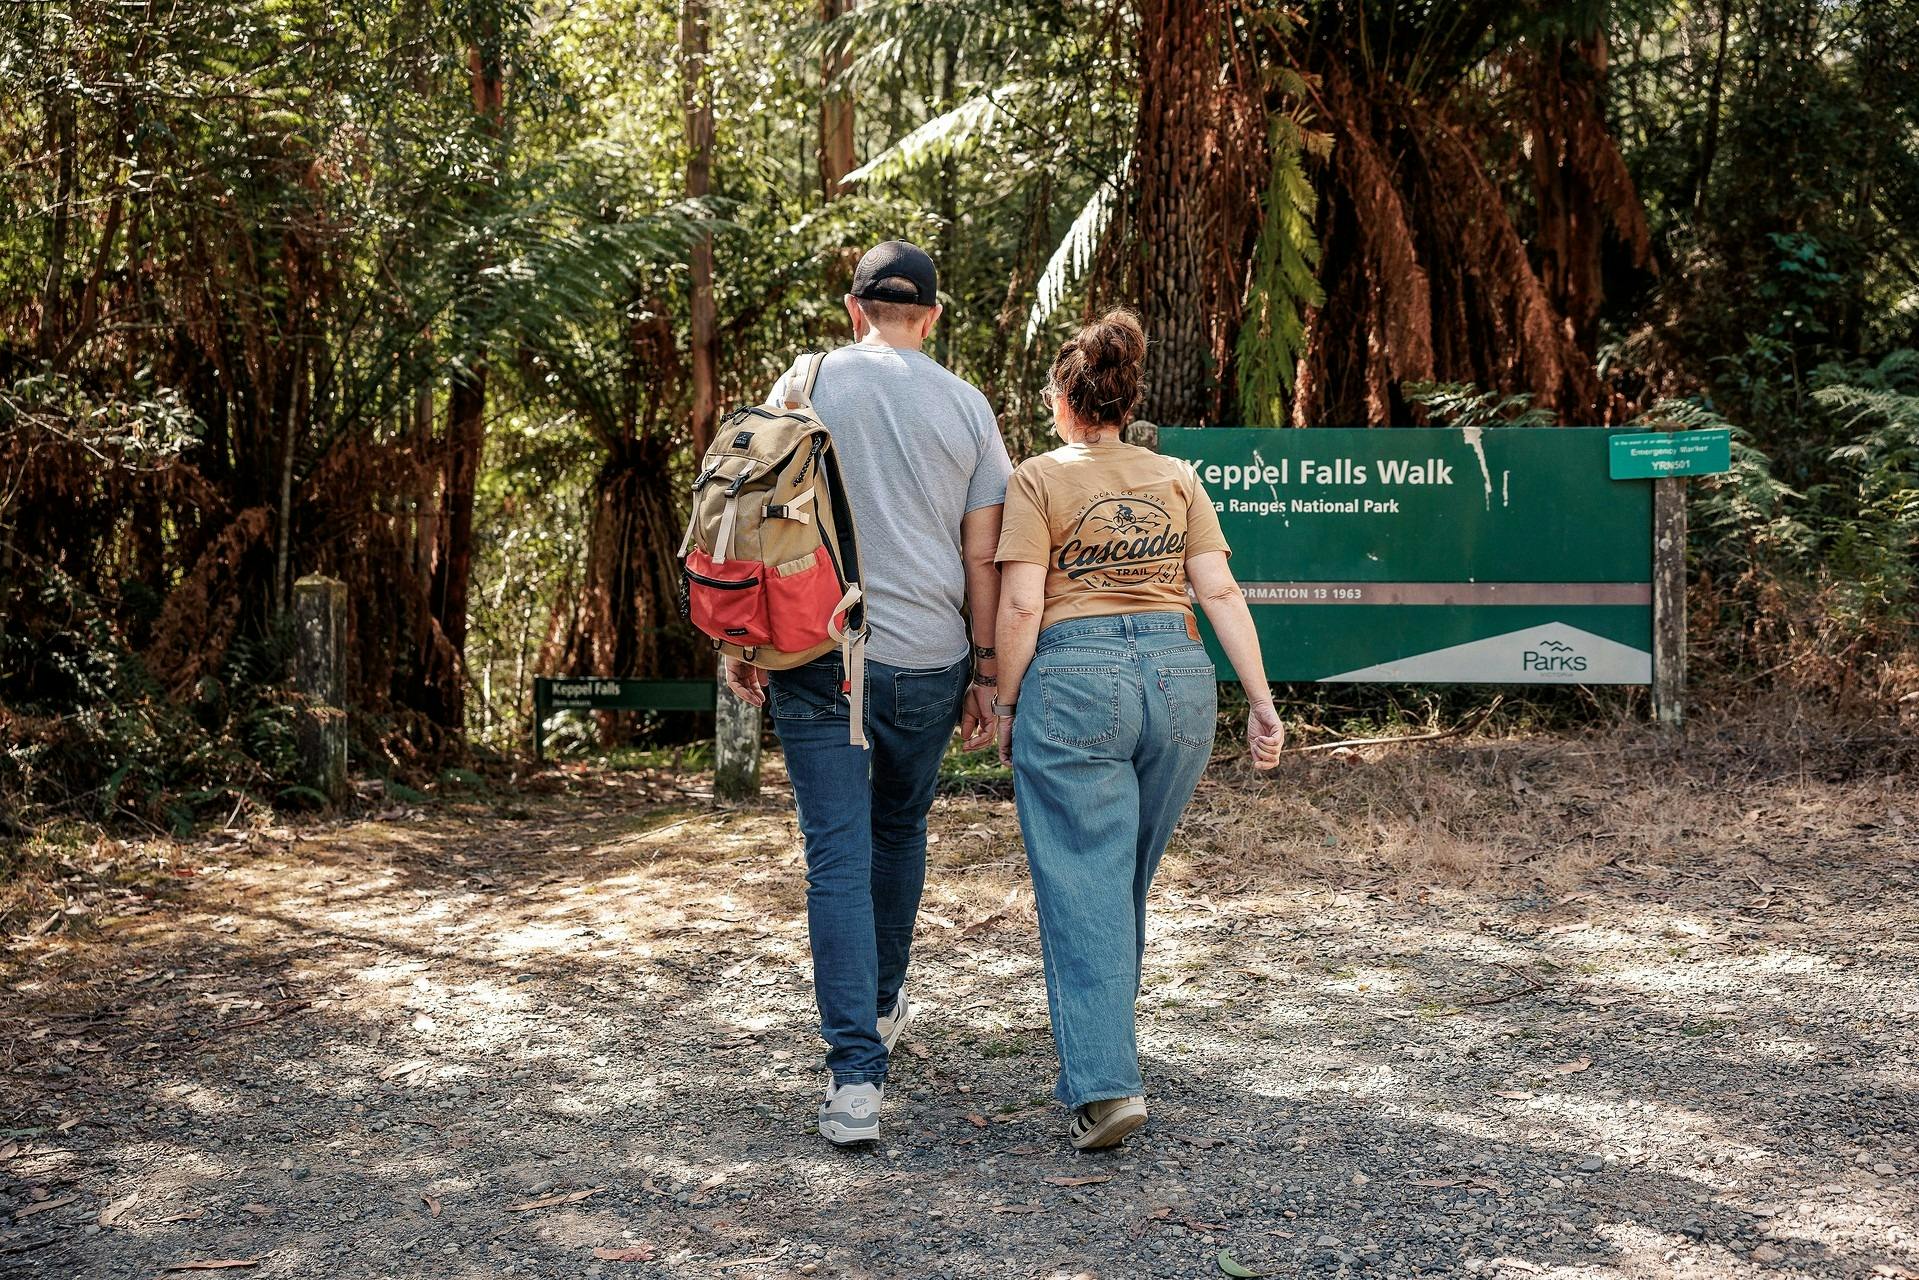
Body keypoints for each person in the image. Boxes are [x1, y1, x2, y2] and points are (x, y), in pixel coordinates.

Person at [724, 240, 1012, 1146]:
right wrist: (988, 670)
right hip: (927, 661)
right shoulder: (968, 408)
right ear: (928, 317)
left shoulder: (805, 382)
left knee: (836, 856)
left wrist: (743, 638)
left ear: (854, 310)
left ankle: (855, 1082)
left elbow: (749, 513)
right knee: (899, 830)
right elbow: (980, 556)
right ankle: (881, 1006)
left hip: (817, 652)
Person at [991, 310, 1284, 1150]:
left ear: (1062, 398)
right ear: (1125, 400)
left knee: (1086, 881)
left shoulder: (1038, 479)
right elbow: (1220, 593)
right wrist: (1259, 701)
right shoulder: (1175, 478)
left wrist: (1006, 703)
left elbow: (1020, 603)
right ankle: (1104, 1050)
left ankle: (1106, 1084)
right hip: (1180, 680)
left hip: (1076, 680)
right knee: (1114, 883)